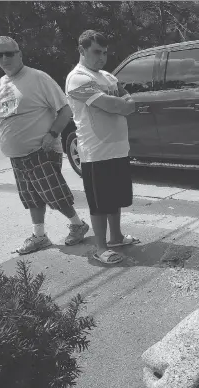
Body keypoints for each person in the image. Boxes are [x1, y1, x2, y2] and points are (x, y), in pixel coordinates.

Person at [0, 36, 89, 255]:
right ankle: (39, 236)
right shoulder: (3, 82)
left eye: (9, 53)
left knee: (54, 194)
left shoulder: (37, 78)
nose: (4, 58)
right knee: (31, 197)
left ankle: (77, 225)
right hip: (17, 155)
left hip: (40, 150)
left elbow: (65, 110)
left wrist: (52, 134)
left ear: (20, 54)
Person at [65, 30, 139, 265]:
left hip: (118, 148)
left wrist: (121, 104)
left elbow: (129, 102)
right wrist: (121, 104)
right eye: (97, 52)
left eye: (105, 53)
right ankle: (100, 248)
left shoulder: (108, 77)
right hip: (95, 152)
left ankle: (116, 237)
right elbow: (114, 104)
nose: (102, 57)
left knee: (115, 198)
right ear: (82, 50)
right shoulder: (77, 78)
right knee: (99, 204)